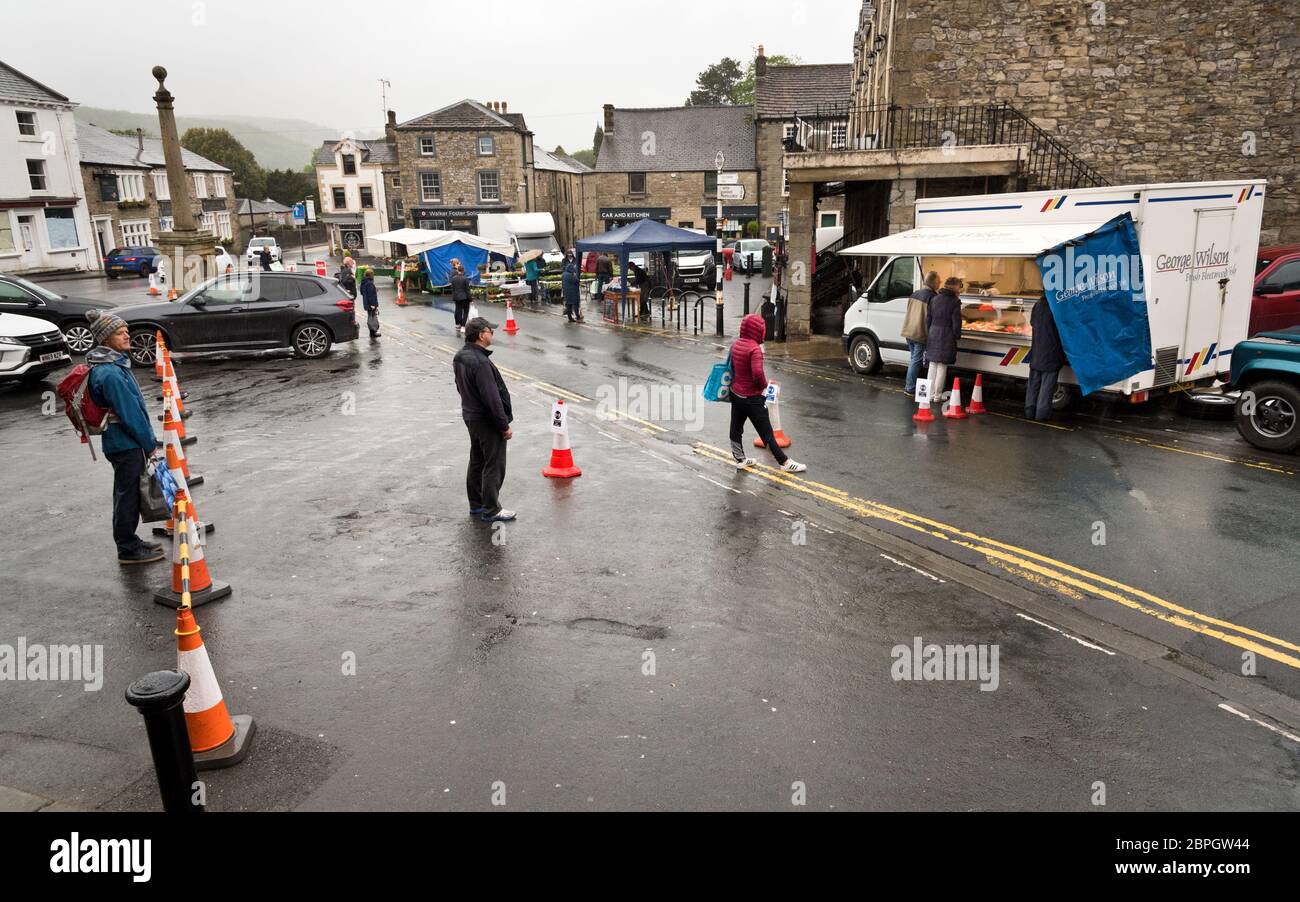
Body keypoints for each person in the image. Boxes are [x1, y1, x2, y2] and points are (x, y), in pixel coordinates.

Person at [84, 310, 164, 565]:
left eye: (126, 330)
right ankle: (127, 548)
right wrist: (150, 445)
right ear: (106, 339)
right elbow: (130, 414)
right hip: (123, 443)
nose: (127, 335)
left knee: (127, 493)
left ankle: (130, 540)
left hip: (124, 442)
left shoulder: (114, 364)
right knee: (127, 496)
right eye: (120, 333)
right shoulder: (109, 372)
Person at [453, 317, 516, 523]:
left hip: (471, 416)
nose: (493, 334)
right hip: (486, 420)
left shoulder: (460, 356)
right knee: (493, 463)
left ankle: (476, 504)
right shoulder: (480, 363)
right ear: (481, 335)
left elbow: (459, 386)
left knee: (477, 460)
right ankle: (491, 509)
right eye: (490, 330)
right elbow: (492, 398)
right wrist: (503, 425)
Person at [728, 313, 807, 473]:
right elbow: (757, 374)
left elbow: (733, 368)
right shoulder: (754, 349)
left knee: (735, 428)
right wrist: (764, 386)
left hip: (736, 394)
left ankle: (740, 459)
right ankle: (784, 463)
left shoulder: (735, 345)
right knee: (767, 433)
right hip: (752, 398)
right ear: (757, 331)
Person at [1025, 298, 1067, 421]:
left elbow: (1032, 323)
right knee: (1047, 386)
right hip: (1052, 352)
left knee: (1034, 383)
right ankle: (1041, 415)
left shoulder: (1037, 305)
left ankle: (1029, 411)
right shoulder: (1058, 307)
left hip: (1036, 350)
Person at [924, 276, 964, 404]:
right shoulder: (955, 302)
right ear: (955, 287)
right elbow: (956, 323)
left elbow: (928, 319)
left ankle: (929, 395)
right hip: (946, 335)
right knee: (942, 366)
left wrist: (930, 332)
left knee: (932, 365)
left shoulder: (934, 299)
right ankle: (937, 395)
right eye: (959, 286)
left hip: (933, 333)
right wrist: (957, 336)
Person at [903, 271, 940, 395]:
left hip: (909, 331)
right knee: (916, 360)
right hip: (920, 333)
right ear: (934, 283)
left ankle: (912, 384)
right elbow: (933, 317)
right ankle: (910, 387)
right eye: (939, 282)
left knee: (914, 359)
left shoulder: (915, 293)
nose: (939, 284)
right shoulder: (933, 297)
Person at [450, 260, 472, 334]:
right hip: (465, 297)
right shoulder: (465, 279)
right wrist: (470, 299)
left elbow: (452, 288)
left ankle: (457, 324)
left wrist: (454, 295)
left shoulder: (453, 278)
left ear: (457, 270)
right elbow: (467, 290)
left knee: (458, 311)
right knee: (465, 312)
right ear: (463, 270)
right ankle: (463, 326)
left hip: (456, 297)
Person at [360, 267, 380, 338]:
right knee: (372, 318)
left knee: (370, 317)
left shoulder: (364, 282)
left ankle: (372, 333)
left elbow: (362, 292)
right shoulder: (370, 283)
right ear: (371, 275)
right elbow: (371, 295)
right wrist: (373, 305)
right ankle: (373, 333)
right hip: (371, 304)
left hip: (366, 303)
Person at [562, 256, 582, 323]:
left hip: (567, 292)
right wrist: (575, 276)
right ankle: (578, 316)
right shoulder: (571, 275)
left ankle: (570, 318)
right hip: (573, 292)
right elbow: (577, 281)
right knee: (575, 304)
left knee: (569, 305)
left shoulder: (564, 274)